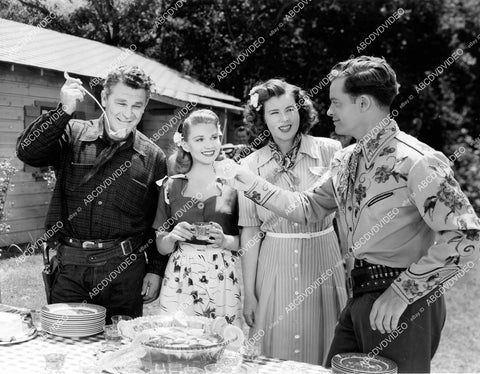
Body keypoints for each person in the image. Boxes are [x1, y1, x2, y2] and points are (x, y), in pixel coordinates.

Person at [228, 56, 480, 372]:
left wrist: (402, 292)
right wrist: (243, 179)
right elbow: (308, 208)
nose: (329, 111)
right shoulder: (347, 159)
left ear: (362, 103)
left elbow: (465, 236)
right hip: (357, 297)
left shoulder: (417, 161)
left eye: (336, 103)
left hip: (403, 303)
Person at [16, 66, 169, 322]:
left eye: (136, 105)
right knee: (69, 348)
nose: (128, 113)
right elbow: (28, 152)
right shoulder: (74, 133)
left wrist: (155, 270)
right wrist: (62, 110)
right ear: (105, 98)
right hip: (71, 269)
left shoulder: (154, 157)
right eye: (121, 102)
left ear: (145, 106)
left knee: (121, 353)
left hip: (125, 272)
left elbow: (158, 221)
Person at [238, 79, 347, 365]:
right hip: (274, 264)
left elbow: (346, 216)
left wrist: (350, 268)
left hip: (324, 258)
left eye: (290, 109)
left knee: (326, 341)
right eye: (274, 112)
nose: (284, 119)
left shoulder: (331, 150)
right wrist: (249, 293)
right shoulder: (249, 166)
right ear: (262, 118)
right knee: (274, 347)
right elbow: (250, 231)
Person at [153, 109, 241, 325]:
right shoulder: (170, 186)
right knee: (178, 341)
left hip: (221, 277)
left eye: (214, 137)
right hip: (180, 276)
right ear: (185, 144)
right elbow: (161, 246)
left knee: (220, 341)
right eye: (199, 139)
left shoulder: (233, 184)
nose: (209, 145)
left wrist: (224, 240)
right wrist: (172, 236)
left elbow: (245, 241)